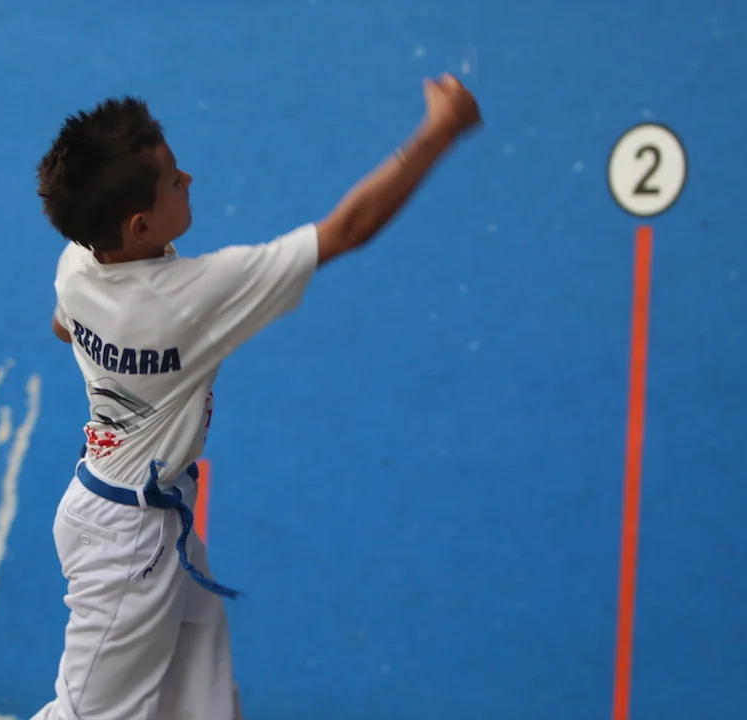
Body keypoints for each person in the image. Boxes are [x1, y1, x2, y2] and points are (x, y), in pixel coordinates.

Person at [30, 73, 481, 720]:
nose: (188, 179)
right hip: (127, 541)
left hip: (133, 514)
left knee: (202, 704)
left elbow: (63, 326)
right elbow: (348, 229)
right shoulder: (190, 299)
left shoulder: (79, 264)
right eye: (173, 180)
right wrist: (440, 130)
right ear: (138, 225)